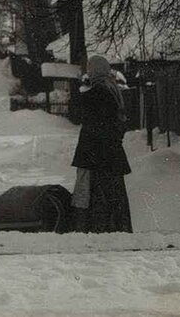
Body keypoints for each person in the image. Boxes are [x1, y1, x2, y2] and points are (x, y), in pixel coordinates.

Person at [71, 55, 133, 233]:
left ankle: (101, 229)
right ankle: (114, 227)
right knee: (113, 194)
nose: (88, 72)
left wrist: (79, 87)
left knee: (97, 195)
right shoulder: (112, 89)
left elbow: (80, 111)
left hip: (97, 155)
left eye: (90, 68)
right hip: (110, 154)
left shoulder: (99, 91)